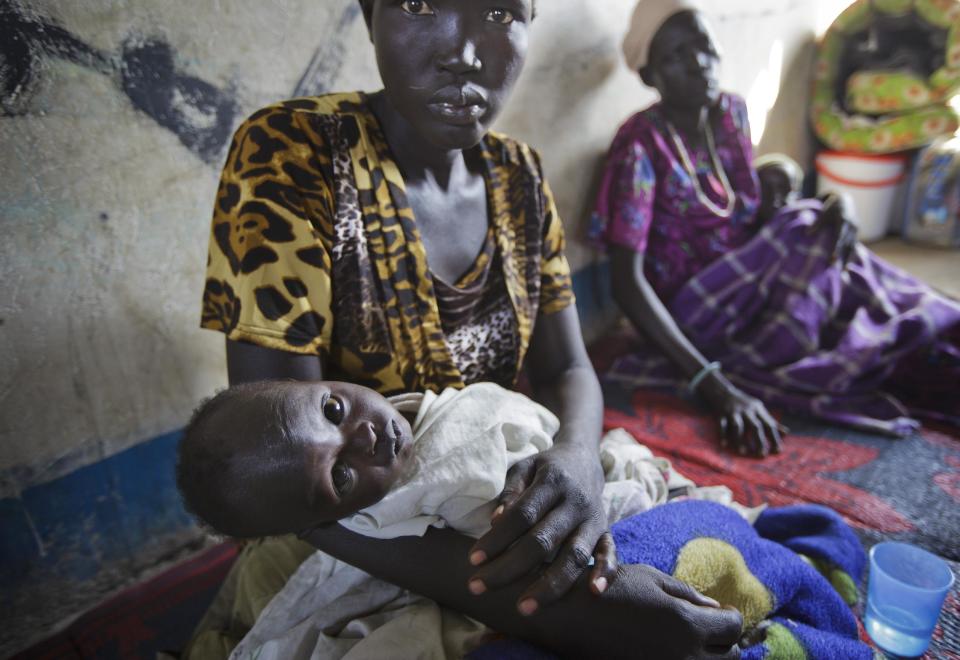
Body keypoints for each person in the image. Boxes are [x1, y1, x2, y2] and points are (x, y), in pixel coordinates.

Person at [190, 1, 744, 658]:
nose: (466, 53)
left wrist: (575, 463)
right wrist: (567, 608)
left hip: (494, 497)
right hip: (366, 543)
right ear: (369, 14)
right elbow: (298, 498)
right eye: (422, 4)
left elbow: (568, 370)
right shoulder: (294, 155)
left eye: (501, 11)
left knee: (713, 546)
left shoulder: (521, 179)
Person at [589, 0, 960, 457]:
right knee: (812, 239)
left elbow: (747, 210)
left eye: (704, 47)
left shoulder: (732, 113)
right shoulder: (641, 146)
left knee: (836, 250)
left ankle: (927, 332)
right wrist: (712, 382)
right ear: (650, 76)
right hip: (699, 307)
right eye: (675, 56)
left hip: (751, 274)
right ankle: (909, 345)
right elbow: (627, 284)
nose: (698, 64)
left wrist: (836, 200)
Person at [177, 379, 734, 542]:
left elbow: (567, 364)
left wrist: (580, 450)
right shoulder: (450, 486)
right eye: (340, 474)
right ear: (324, 523)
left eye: (332, 407)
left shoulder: (404, 410)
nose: (366, 437)